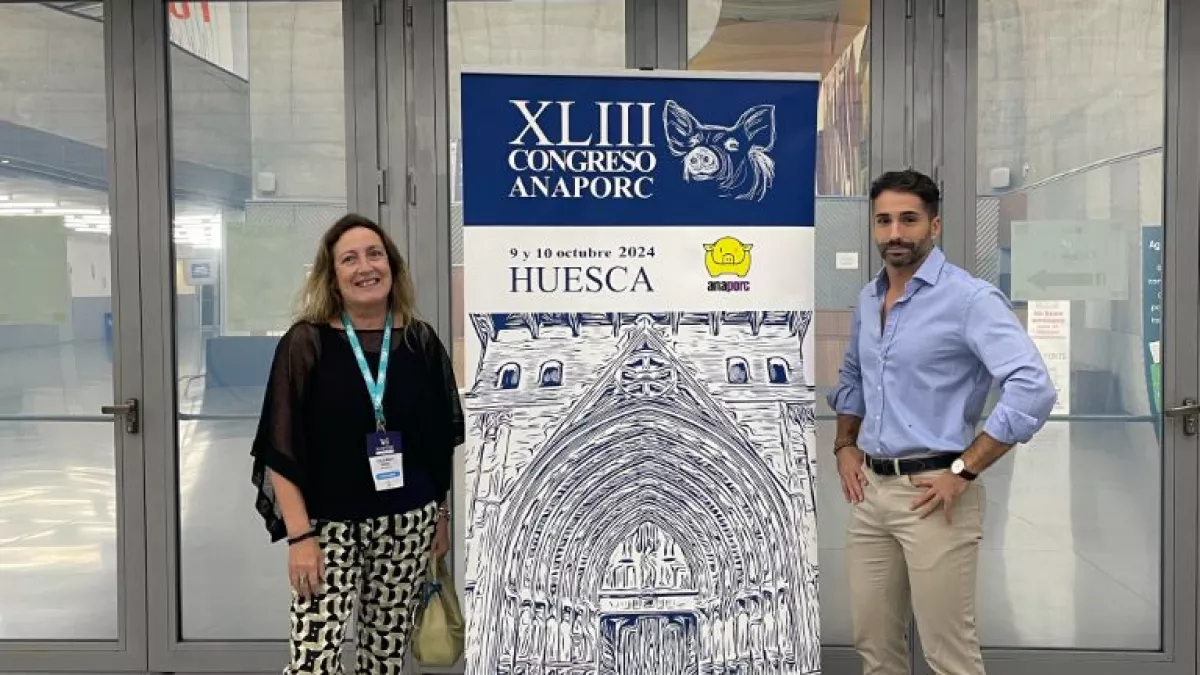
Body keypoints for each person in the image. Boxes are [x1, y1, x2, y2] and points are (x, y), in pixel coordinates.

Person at [827, 169, 1056, 675]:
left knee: (949, 656)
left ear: (934, 225)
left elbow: (1033, 388)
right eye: (884, 220)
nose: (895, 233)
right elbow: (853, 375)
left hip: (935, 493)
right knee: (875, 650)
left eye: (908, 220)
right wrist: (844, 443)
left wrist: (965, 469)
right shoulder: (868, 299)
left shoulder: (969, 300)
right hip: (871, 494)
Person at [249, 213, 464, 675]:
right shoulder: (305, 343)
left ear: (392, 267)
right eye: (349, 259)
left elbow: (438, 442)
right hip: (326, 528)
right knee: (313, 661)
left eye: (375, 254)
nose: (365, 267)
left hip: (407, 523)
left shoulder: (421, 341)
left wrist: (441, 517)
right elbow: (280, 449)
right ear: (332, 276)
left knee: (384, 659)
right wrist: (300, 537)